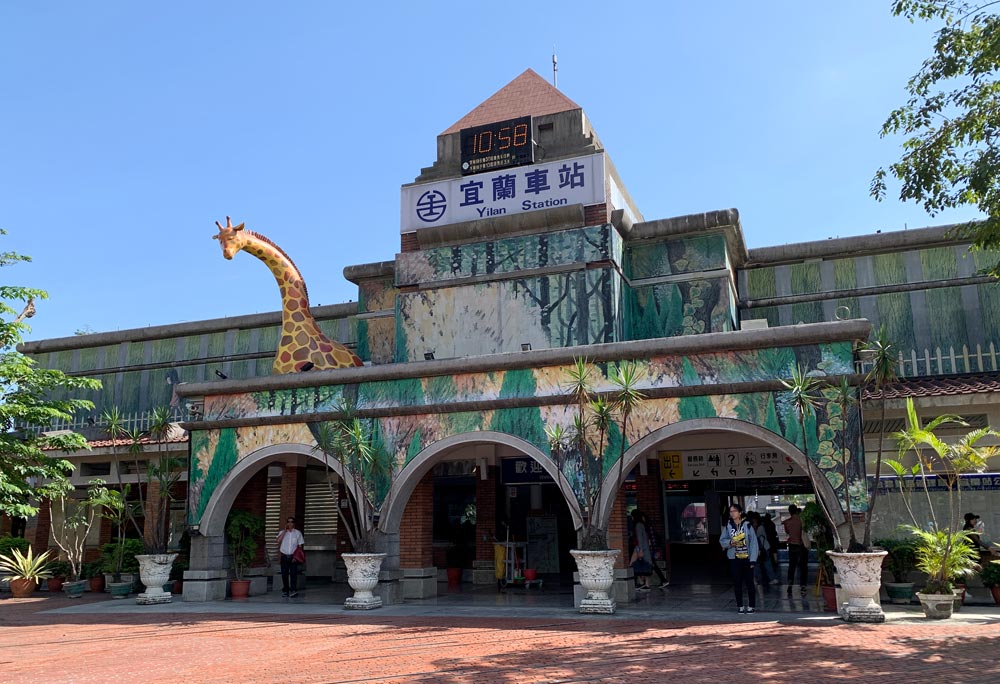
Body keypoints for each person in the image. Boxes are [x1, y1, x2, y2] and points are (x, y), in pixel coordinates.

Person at [720, 502, 759, 614]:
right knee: (737, 583)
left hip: (747, 558)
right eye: (730, 511)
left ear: (740, 512)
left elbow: (753, 543)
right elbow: (722, 540)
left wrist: (753, 559)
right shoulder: (728, 525)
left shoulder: (747, 525)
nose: (732, 513)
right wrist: (730, 543)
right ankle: (740, 606)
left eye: (734, 511)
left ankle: (751, 606)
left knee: (749, 583)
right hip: (734, 558)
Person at [276, 516, 305, 598]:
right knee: (284, 574)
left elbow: (300, 547)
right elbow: (278, 540)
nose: (290, 523)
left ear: (294, 523)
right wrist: (285, 531)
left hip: (293, 557)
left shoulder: (297, 533)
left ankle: (293, 590)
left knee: (293, 574)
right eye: (288, 522)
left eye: (292, 522)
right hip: (284, 556)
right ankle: (285, 590)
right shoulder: (282, 532)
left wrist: (296, 557)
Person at [783, 504, 808, 594]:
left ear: (789, 512)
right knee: (803, 566)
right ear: (797, 511)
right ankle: (803, 586)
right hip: (801, 545)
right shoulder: (802, 521)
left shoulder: (787, 522)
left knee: (792, 566)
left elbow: (787, 532)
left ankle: (790, 584)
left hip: (792, 545)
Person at [630, 509, 653, 591]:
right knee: (646, 565)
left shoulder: (638, 525)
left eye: (632, 516)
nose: (631, 518)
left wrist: (640, 550)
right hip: (645, 548)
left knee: (632, 565)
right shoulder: (642, 525)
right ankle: (646, 584)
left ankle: (640, 582)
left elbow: (639, 538)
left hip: (640, 548)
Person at [748, 512, 773, 587]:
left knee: (762, 564)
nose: (754, 523)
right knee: (764, 564)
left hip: (762, 548)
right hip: (763, 548)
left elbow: (756, 538)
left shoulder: (758, 528)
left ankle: (759, 579)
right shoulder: (759, 527)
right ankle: (762, 579)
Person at [762, 512, 780, 579]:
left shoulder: (764, 525)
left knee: (769, 554)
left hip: (767, 541)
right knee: (773, 552)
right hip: (772, 541)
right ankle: (775, 562)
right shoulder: (772, 524)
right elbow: (774, 532)